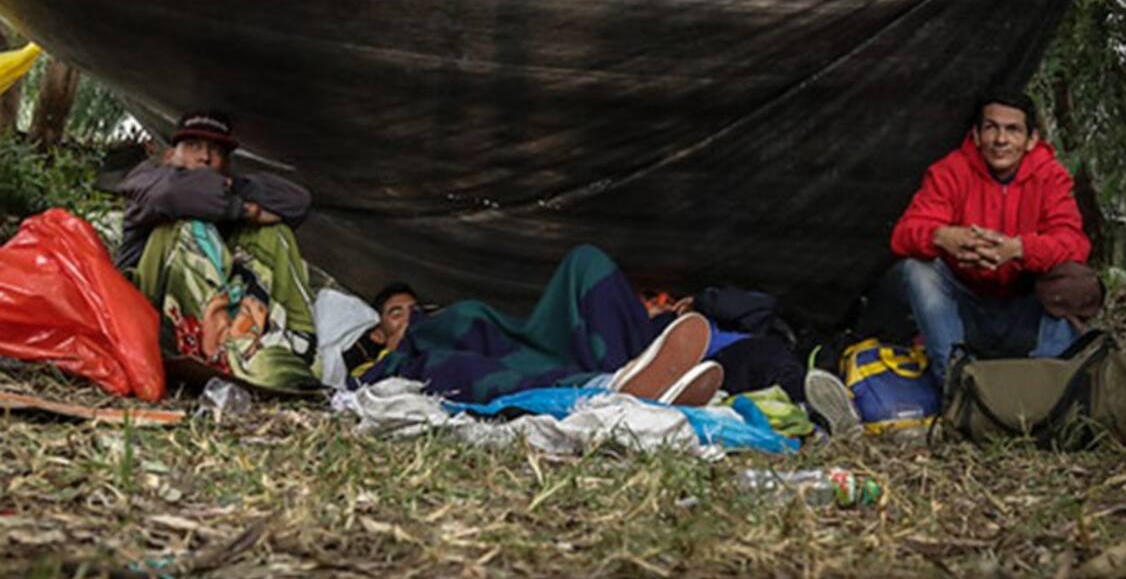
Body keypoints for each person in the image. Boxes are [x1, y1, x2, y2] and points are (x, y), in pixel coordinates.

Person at [351, 245, 724, 407]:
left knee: (586, 261)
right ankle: (613, 388)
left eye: (416, 309)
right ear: (377, 333)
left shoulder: (455, 324)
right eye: (396, 313)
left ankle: (645, 369)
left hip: (532, 348)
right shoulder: (378, 367)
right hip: (523, 370)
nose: (411, 315)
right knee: (452, 364)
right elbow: (355, 389)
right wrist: (409, 339)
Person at [890, 93, 1094, 385]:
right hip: (966, 310)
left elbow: (1074, 243)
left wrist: (1019, 249)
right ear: (975, 135)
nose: (1001, 139)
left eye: (1013, 130)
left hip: (1026, 310)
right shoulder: (950, 171)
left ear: (1031, 140)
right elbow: (904, 233)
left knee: (1074, 279)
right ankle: (957, 385)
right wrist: (941, 236)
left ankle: (1046, 386)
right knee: (917, 270)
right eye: (991, 128)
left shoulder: (1050, 176)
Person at [117, 110, 321, 390]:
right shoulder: (148, 181)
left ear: (227, 165)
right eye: (193, 147)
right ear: (170, 155)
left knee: (275, 232)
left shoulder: (227, 185)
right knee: (187, 226)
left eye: (216, 151)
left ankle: (294, 344)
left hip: (227, 321)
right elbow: (172, 195)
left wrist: (231, 189)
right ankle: (201, 347)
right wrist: (244, 210)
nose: (205, 157)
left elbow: (298, 201)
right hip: (147, 320)